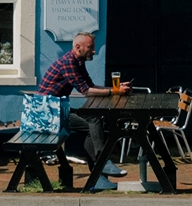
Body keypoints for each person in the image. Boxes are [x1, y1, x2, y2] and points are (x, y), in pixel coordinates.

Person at [40, 32, 128, 187]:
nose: (94, 51)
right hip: (47, 112)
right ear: (78, 47)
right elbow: (86, 91)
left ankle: (98, 177)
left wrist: (116, 88)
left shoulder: (78, 62)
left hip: (58, 108)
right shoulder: (68, 62)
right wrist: (114, 92)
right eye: (90, 47)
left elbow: (92, 86)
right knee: (93, 120)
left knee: (92, 126)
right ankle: (102, 163)